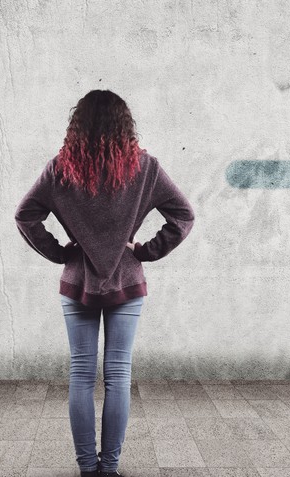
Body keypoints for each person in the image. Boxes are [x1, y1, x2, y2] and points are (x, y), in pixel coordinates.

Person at [14, 90, 194, 476]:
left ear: (77, 125)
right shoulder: (146, 168)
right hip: (127, 284)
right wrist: (143, 251)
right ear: (124, 124)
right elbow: (183, 216)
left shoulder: (60, 168)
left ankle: (86, 467)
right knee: (118, 374)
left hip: (77, 283)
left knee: (81, 374)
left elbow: (25, 216)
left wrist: (62, 253)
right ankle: (109, 468)